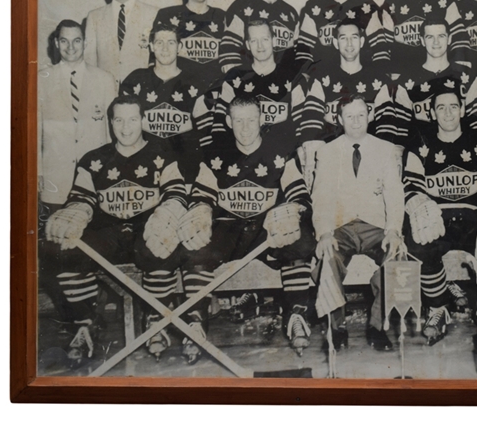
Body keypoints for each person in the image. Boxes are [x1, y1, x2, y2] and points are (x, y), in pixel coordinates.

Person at [41, 96, 208, 366]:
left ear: (143, 120)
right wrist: (73, 215)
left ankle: (157, 317)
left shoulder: (162, 154)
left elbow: (176, 194)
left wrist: (166, 216)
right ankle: (85, 323)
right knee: (63, 250)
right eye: (119, 120)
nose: (126, 127)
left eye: (132, 119)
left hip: (147, 228)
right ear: (111, 122)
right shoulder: (93, 159)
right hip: (108, 230)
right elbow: (80, 200)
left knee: (161, 246)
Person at [188, 95, 317, 355]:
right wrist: (201, 211)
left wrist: (291, 209)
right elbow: (200, 196)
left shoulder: (281, 153)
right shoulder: (214, 154)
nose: (245, 128)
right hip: (229, 230)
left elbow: (300, 195)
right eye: (238, 121)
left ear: (262, 119)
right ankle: (195, 322)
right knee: (195, 247)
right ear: (228, 121)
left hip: (265, 230)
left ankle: (296, 316)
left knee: (300, 241)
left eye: (251, 120)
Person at [402, 87, 477, 344]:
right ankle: (439, 307)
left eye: (453, 106)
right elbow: (412, 187)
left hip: (474, 221)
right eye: (441, 107)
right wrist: (420, 205)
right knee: (418, 242)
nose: (448, 113)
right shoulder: (420, 145)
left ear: (462, 109)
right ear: (432, 113)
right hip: (438, 221)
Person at [311, 94, 406, 352]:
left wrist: (394, 230)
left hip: (376, 226)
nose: (356, 121)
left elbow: (395, 194)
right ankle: (337, 328)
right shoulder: (327, 151)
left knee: (398, 259)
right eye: (349, 116)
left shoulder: (385, 149)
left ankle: (378, 327)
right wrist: (324, 233)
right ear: (339, 119)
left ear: (370, 116)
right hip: (341, 227)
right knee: (327, 259)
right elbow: (321, 196)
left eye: (361, 115)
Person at [39, 20, 117, 213]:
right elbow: (33, 132)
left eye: (76, 41)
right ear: (56, 43)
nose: (71, 47)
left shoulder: (105, 79)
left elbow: (112, 133)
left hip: (94, 177)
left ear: (85, 42)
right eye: (64, 41)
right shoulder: (41, 79)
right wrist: (37, 172)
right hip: (55, 178)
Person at [196, 19, 308, 149]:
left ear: (274, 41)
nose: (260, 46)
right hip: (241, 154)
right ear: (248, 45)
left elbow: (301, 123)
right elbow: (220, 121)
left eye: (265, 39)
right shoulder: (235, 76)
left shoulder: (292, 77)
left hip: (281, 153)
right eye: (254, 41)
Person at [119, 22, 204, 181]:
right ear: (151, 46)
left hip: (185, 171)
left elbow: (205, 134)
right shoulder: (135, 80)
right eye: (159, 43)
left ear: (179, 46)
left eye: (171, 43)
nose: (165, 49)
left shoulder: (196, 84)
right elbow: (122, 129)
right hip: (142, 170)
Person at [303, 18, 407, 144]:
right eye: (343, 38)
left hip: (370, 151)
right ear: (336, 43)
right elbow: (311, 120)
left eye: (354, 37)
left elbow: (387, 122)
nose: (349, 44)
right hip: (333, 152)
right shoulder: (322, 78)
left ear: (362, 41)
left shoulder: (379, 78)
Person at [386, 19, 477, 140]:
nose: (436, 42)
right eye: (430, 37)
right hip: (422, 150)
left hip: (460, 149)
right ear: (422, 41)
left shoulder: (466, 74)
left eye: (441, 36)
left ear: (449, 39)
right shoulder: (406, 80)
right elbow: (401, 125)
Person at [153, 0, 226, 90]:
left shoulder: (222, 17)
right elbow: (155, 62)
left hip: (215, 92)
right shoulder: (168, 15)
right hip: (178, 92)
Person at [220, 0, 299, 73]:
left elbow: (298, 54)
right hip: (250, 84)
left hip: (283, 84)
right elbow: (228, 52)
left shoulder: (290, 13)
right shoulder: (240, 7)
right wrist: (240, 83)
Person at [84, 0, 158, 85]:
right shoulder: (94, 17)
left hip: (142, 91)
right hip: (106, 92)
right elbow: (89, 62)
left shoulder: (153, 14)